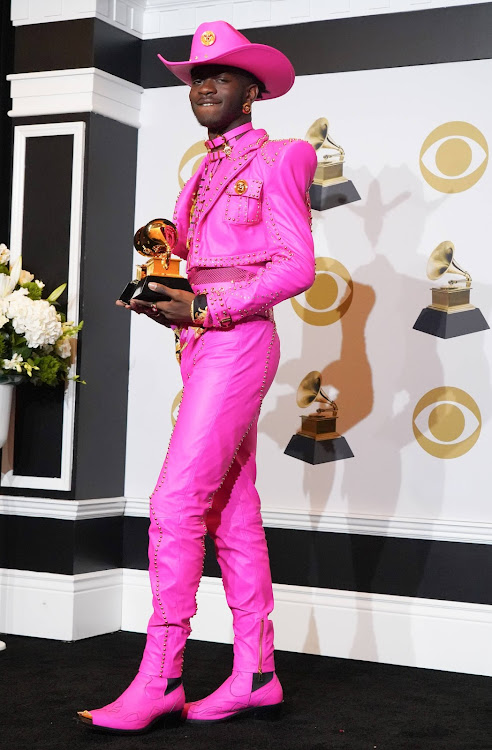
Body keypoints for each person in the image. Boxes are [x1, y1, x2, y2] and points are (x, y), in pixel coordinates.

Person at [77, 20, 317, 734]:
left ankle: (163, 676)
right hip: (202, 344)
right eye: (195, 77)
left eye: (220, 75)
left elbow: (296, 267)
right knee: (230, 511)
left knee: (176, 504)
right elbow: (191, 271)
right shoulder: (196, 176)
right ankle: (257, 673)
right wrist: (167, 301)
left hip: (239, 341)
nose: (204, 84)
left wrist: (208, 305)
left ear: (252, 89)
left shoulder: (285, 156)